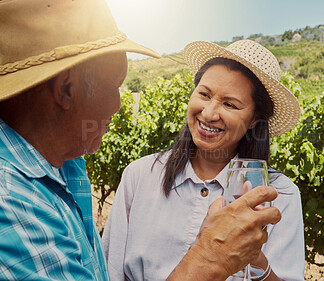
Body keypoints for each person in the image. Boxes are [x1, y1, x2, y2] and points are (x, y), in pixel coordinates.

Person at [0, 0, 281, 280]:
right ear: (66, 88)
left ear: (255, 121)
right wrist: (211, 258)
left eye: (230, 104)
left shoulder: (68, 165)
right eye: (115, 86)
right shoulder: (11, 201)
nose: (120, 104)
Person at [103, 40, 305, 281]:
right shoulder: (139, 176)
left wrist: (256, 261)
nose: (209, 113)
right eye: (204, 94)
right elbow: (108, 272)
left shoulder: (280, 195)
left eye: (229, 104)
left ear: (254, 120)